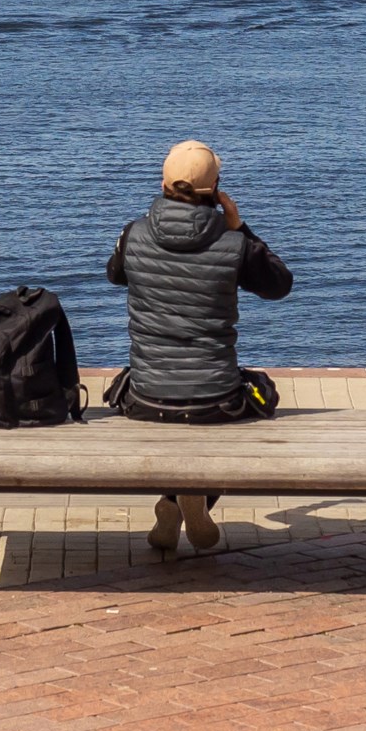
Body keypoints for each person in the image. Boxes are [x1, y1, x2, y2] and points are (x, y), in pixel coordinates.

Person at [105, 139, 293, 556]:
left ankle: (174, 502)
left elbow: (114, 276)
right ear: (217, 190)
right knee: (263, 392)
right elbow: (280, 285)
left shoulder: (132, 234)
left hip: (145, 397)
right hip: (216, 399)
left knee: (161, 398)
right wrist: (239, 226)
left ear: (162, 183)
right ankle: (191, 499)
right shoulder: (233, 244)